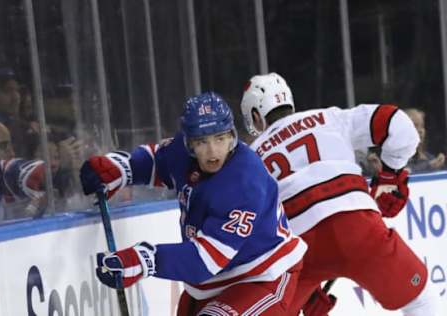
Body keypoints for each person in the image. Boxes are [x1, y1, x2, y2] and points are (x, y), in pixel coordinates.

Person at [79, 92, 307, 315]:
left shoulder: (244, 181)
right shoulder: (182, 151)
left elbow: (206, 259)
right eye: (202, 142)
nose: (212, 151)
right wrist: (123, 169)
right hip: (212, 283)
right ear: (189, 144)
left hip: (262, 275)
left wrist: (144, 259)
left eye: (220, 138)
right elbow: (160, 162)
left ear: (232, 136)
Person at [239, 73, 440, 316]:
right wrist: (390, 174)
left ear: (256, 116)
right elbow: (400, 125)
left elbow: (248, 231)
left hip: (297, 247)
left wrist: (305, 289)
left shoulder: (248, 159)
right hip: (354, 224)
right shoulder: (327, 118)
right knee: (419, 299)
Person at [404, 108, 445, 173]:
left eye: (422, 126)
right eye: (415, 126)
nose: (420, 130)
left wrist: (439, 164)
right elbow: (406, 172)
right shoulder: (396, 159)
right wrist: (429, 166)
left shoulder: (430, 158)